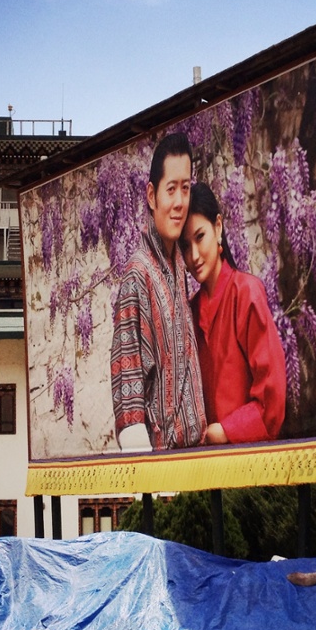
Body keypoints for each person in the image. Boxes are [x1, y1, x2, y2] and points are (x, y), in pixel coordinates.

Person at [110, 132, 207, 451]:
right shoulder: (136, 276)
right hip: (165, 471)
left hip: (194, 461)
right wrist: (151, 489)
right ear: (152, 196)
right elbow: (129, 402)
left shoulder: (178, 264)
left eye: (186, 188)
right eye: (171, 190)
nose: (180, 202)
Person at [180, 182, 287, 444]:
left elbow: (272, 401)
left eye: (199, 236)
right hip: (204, 465)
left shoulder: (247, 293)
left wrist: (226, 431)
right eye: (184, 246)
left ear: (218, 227)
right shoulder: (189, 313)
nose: (193, 255)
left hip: (249, 461)